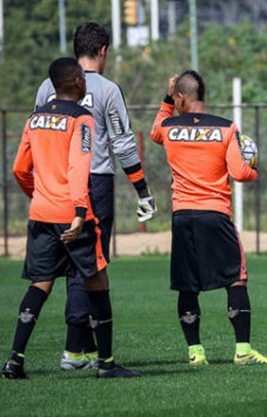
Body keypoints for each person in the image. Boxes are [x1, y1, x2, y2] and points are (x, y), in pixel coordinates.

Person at [3, 57, 139, 379]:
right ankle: (105, 364)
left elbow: (19, 169)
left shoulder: (34, 118)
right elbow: (80, 167)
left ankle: (14, 360)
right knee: (98, 280)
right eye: (82, 78)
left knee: (41, 284)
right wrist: (79, 211)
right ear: (77, 82)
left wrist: (38, 196)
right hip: (72, 215)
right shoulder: (82, 118)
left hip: (41, 213)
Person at [35, 22, 156, 371]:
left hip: (53, 185)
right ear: (103, 51)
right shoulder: (106, 88)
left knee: (59, 265)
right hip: (93, 183)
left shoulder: (48, 86)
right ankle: (75, 350)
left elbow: (37, 129)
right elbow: (122, 142)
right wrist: (142, 190)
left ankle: (82, 349)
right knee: (88, 263)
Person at [151, 71, 267, 366]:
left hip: (183, 216)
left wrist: (168, 100)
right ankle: (242, 350)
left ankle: (196, 352)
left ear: (181, 98)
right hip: (215, 213)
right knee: (236, 279)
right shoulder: (226, 127)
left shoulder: (169, 126)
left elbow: (154, 131)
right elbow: (240, 172)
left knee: (187, 284)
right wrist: (255, 170)